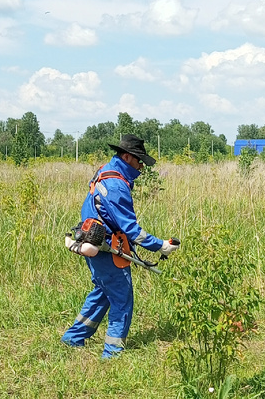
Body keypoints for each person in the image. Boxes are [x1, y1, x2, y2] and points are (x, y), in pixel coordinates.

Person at [61, 133, 179, 358]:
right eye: (139, 160)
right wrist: (160, 246)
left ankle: (74, 337)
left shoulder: (106, 171)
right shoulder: (116, 185)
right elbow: (131, 229)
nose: (142, 165)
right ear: (127, 157)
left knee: (103, 293)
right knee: (122, 298)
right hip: (106, 247)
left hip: (93, 241)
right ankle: (112, 352)